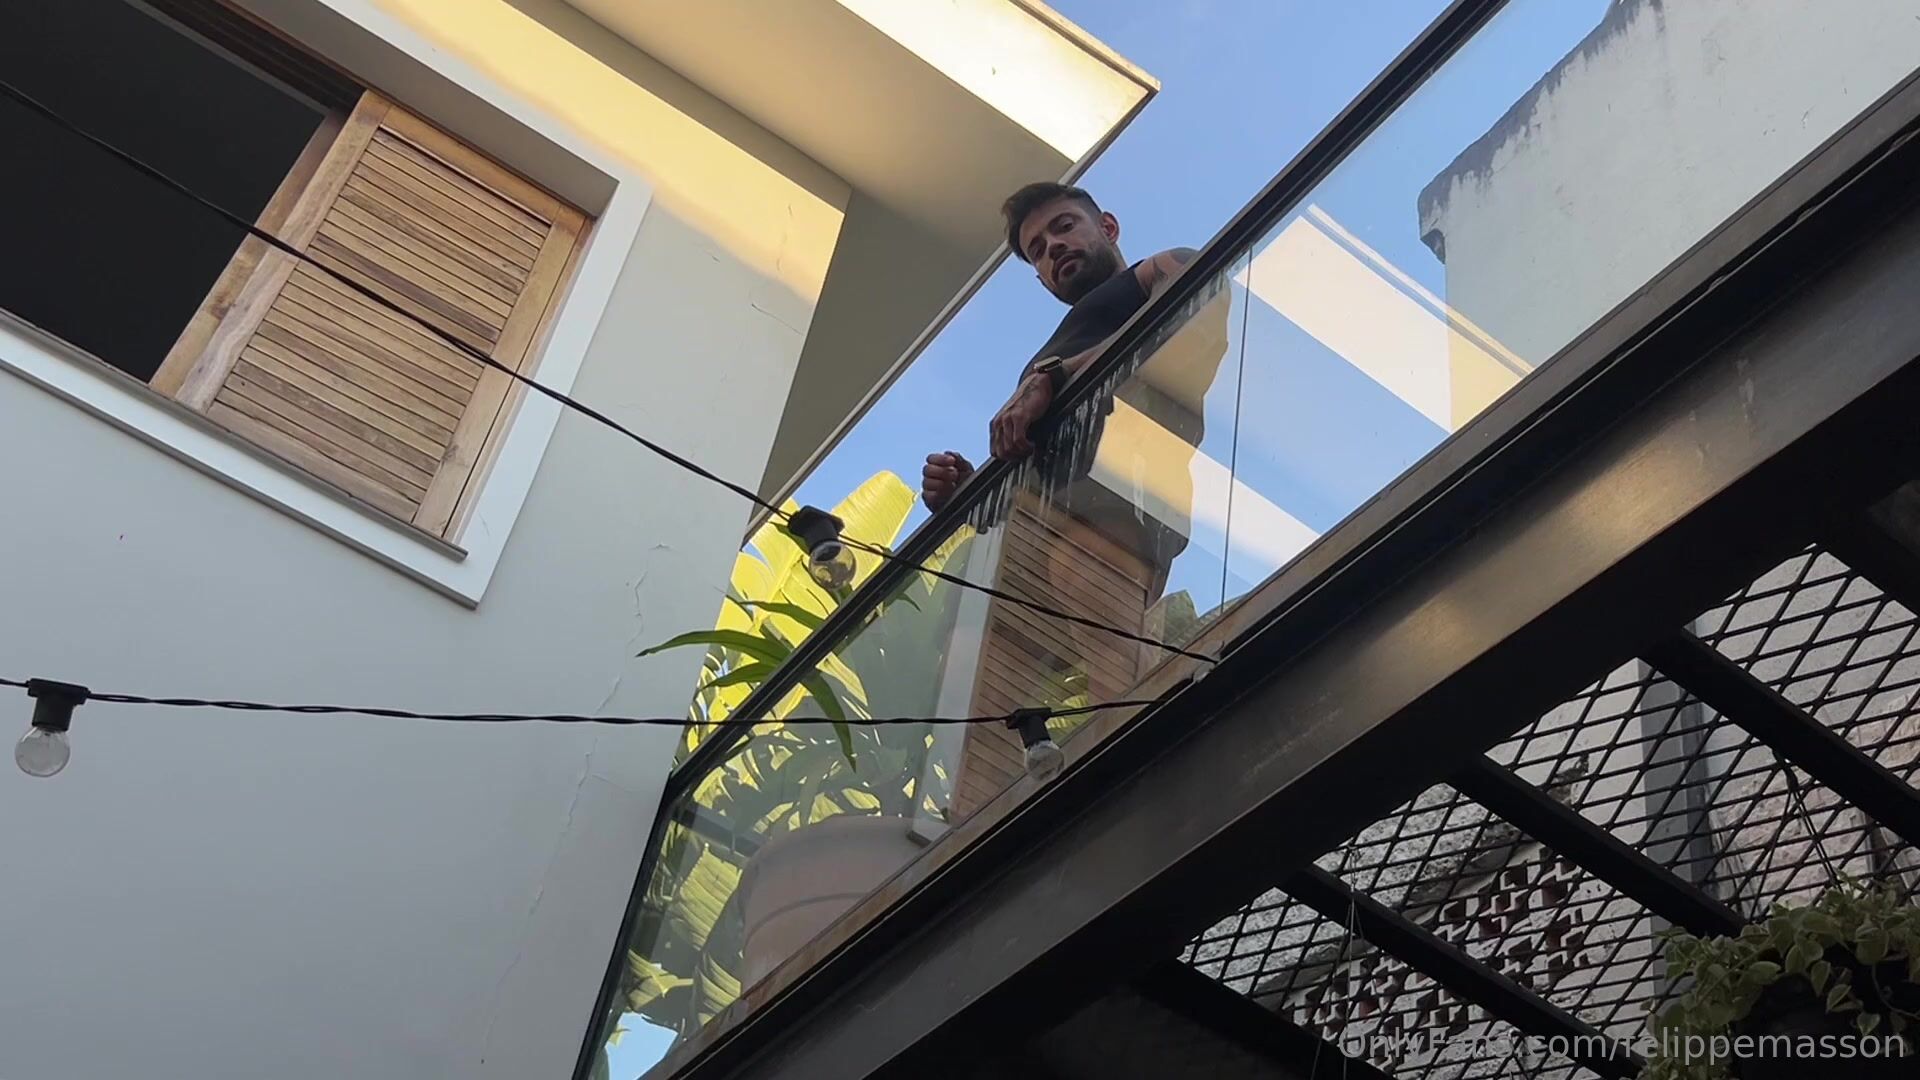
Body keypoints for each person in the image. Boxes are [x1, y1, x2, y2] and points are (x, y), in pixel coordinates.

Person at [920, 182, 1198, 511]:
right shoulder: (1048, 359)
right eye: (1037, 251)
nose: (1052, 247)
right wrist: (971, 494)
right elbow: (1040, 480)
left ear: (1108, 228)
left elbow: (1189, 308)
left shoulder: (1152, 271)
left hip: (1132, 509)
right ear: (1042, 281)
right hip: (1055, 527)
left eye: (1064, 226)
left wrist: (1055, 376)